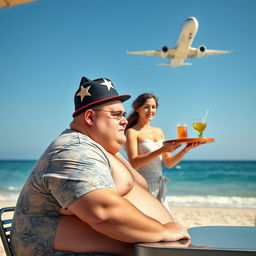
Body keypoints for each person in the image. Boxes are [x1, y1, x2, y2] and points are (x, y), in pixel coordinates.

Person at [10, 77, 190, 256]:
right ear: (90, 117)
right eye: (116, 115)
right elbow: (102, 211)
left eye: (124, 115)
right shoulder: (73, 149)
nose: (125, 121)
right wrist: (162, 231)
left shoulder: (101, 149)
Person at [125, 93, 204, 205]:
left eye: (153, 107)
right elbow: (134, 162)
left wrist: (186, 149)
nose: (151, 110)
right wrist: (161, 150)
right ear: (137, 108)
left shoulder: (159, 131)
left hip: (160, 185)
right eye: (146, 107)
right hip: (143, 185)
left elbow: (168, 163)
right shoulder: (132, 132)